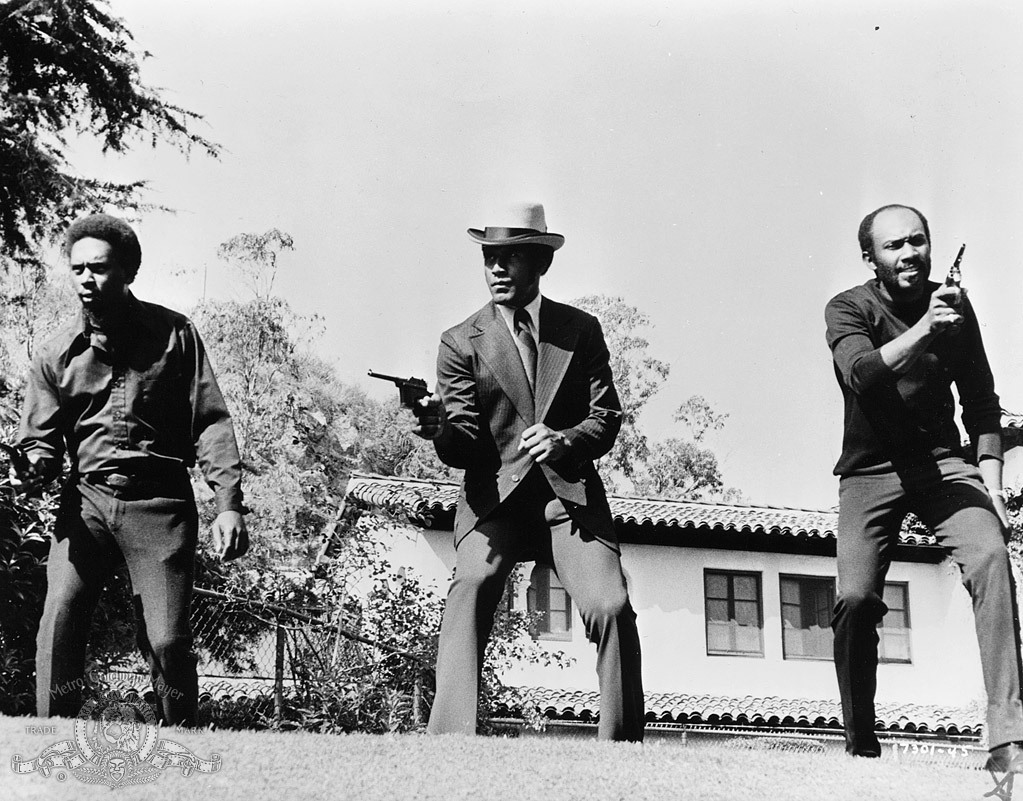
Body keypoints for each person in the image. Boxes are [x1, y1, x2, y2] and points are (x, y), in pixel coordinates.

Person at [413, 202, 644, 740]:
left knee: (611, 607)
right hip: (494, 503)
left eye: (510, 257)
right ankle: (450, 744)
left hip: (568, 502)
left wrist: (564, 440)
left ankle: (626, 745)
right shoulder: (460, 339)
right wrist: (438, 428)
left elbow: (606, 418)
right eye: (489, 257)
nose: (496, 268)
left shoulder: (580, 330)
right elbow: (463, 442)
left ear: (541, 264)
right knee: (470, 585)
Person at [12, 213, 248, 726]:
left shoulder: (175, 335)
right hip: (87, 502)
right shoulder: (54, 353)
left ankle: (183, 740)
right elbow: (41, 441)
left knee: (167, 640)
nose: (85, 280)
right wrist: (34, 465)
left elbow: (210, 422)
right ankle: (52, 736)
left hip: (160, 503)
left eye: (97, 268)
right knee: (60, 618)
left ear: (127, 271)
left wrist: (227, 505)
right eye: (76, 269)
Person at [825, 203, 1023, 770]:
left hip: (943, 464)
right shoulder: (846, 308)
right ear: (870, 258)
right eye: (894, 246)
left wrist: (993, 487)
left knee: (989, 556)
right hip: (869, 471)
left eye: (918, 241)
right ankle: (861, 741)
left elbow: (982, 404)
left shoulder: (957, 309)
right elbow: (862, 374)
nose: (909, 253)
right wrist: (925, 329)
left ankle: (1009, 740)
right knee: (857, 600)